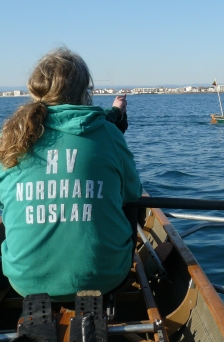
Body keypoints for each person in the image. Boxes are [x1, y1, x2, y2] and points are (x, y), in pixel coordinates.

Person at [0, 47, 143, 301]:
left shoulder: (11, 139)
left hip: (24, 282)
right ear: (83, 91)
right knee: (131, 203)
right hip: (106, 278)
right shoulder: (110, 134)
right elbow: (132, 192)